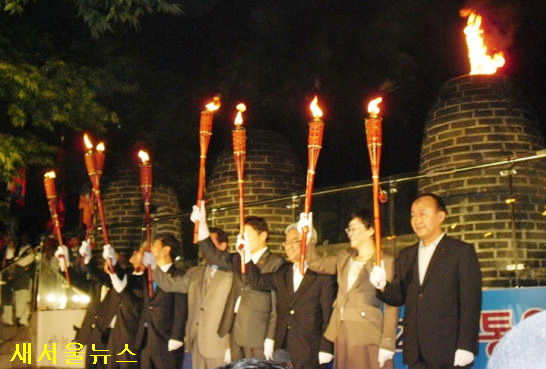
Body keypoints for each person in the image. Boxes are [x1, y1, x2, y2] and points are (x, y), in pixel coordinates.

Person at [370, 193, 482, 369]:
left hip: (449, 350)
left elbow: (471, 303)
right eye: (413, 215)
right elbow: (399, 296)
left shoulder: (461, 252)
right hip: (416, 351)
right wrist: (382, 285)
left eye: (423, 214)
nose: (416, 220)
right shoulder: (406, 255)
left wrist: (466, 346)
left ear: (441, 216)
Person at [301, 210, 398, 369]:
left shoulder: (384, 262)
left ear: (371, 230)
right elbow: (315, 263)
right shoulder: (345, 258)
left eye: (354, 228)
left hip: (368, 334)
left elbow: (391, 306)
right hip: (342, 331)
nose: (350, 233)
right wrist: (308, 237)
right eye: (348, 229)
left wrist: (387, 342)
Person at [192, 201, 285, 361]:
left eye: (247, 236)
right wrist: (202, 225)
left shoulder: (275, 262)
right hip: (235, 326)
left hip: (258, 331)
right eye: (241, 236)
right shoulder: (237, 259)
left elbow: (276, 303)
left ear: (263, 235)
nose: (243, 240)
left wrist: (271, 336)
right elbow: (213, 254)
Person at [243, 222, 336, 369]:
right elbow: (256, 280)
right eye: (286, 242)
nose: (289, 246)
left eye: (295, 241)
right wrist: (246, 256)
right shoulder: (283, 272)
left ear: (309, 242)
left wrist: (327, 347)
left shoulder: (323, 276)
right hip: (283, 348)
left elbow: (328, 316)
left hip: (310, 350)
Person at [144, 227, 233, 369]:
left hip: (219, 345)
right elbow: (170, 285)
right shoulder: (196, 273)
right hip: (196, 342)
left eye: (209, 244)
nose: (205, 249)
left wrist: (230, 346)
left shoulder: (232, 274)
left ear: (223, 246)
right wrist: (154, 266)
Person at [132, 234, 187, 369]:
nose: (150, 250)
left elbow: (181, 309)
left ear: (166, 250)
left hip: (165, 339)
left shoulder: (179, 275)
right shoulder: (148, 275)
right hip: (146, 338)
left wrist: (176, 337)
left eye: (155, 246)